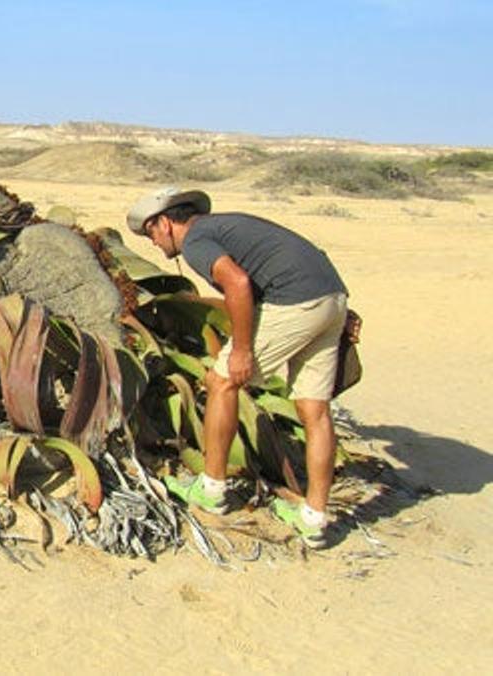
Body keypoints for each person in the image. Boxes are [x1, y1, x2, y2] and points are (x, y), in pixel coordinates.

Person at [125, 187, 359, 548]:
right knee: (314, 409)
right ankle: (313, 519)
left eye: (150, 233)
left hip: (294, 301)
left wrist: (242, 350)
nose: (152, 242)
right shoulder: (229, 225)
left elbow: (237, 282)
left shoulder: (197, 240)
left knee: (221, 381)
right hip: (332, 297)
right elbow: (311, 254)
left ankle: (212, 488)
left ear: (165, 223)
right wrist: (338, 310)